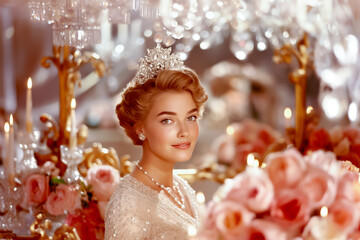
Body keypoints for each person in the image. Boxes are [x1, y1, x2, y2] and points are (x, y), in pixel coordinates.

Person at [104, 45, 208, 240]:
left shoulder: (182, 187)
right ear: (140, 128)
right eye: (167, 120)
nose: (184, 132)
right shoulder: (129, 204)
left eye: (191, 118)